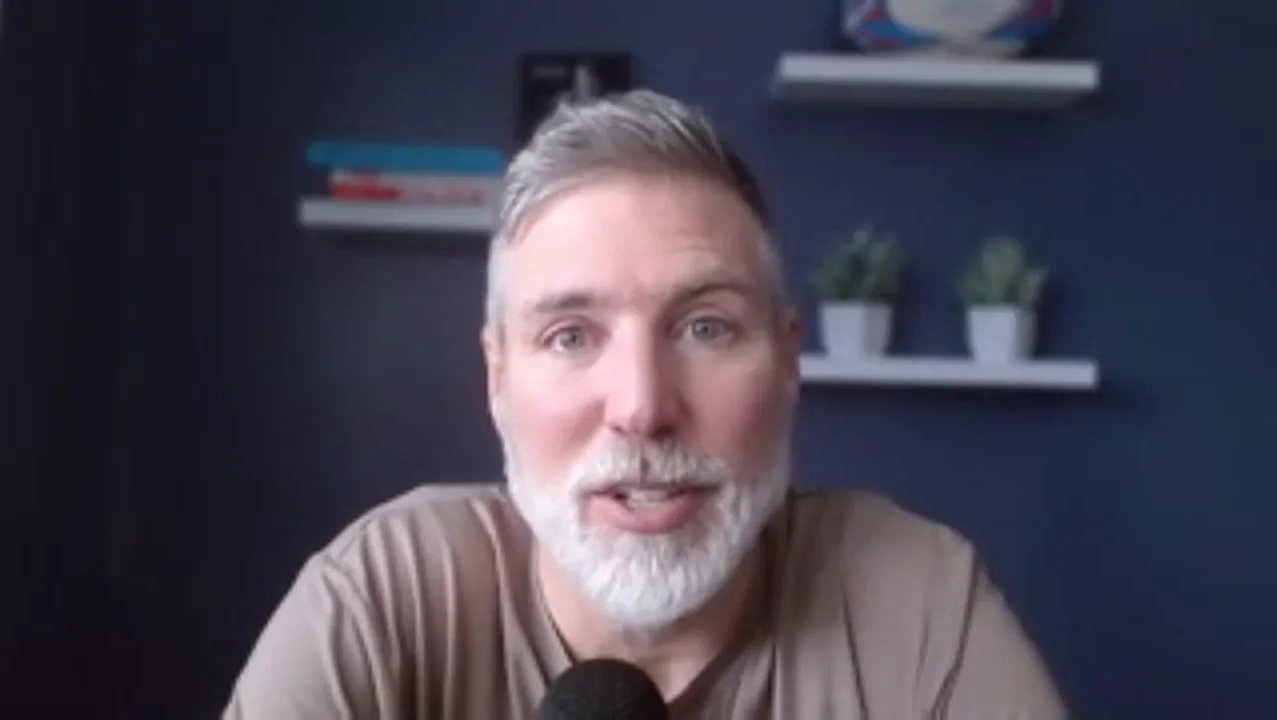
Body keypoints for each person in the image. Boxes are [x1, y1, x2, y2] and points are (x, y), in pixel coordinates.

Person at [222, 89, 1066, 719]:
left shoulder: (916, 603)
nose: (642, 406)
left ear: (787, 361)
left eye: (704, 327)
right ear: (497, 378)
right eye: (571, 336)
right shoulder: (384, 600)